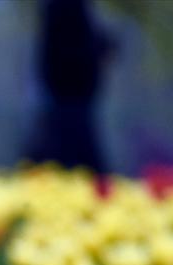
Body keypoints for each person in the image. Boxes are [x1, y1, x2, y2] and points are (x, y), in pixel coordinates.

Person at [28, 0, 115, 172]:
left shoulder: (61, 10)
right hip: (68, 94)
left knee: (62, 151)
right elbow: (73, 48)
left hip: (69, 95)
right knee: (70, 150)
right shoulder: (65, 9)